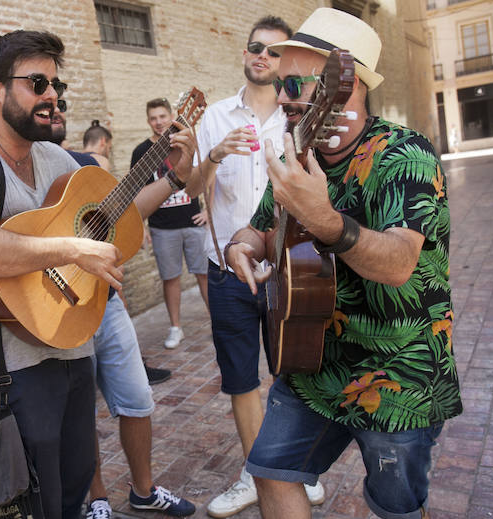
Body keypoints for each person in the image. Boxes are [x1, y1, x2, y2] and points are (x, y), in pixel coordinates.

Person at [0, 30, 199, 519]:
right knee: (37, 501)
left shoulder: (54, 157)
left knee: (76, 482)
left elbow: (117, 216)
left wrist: (175, 177)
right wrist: (74, 248)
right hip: (8, 366)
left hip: (72, 341)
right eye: (37, 83)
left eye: (56, 85)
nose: (52, 95)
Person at [225, 8, 462, 519]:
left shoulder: (406, 155)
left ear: (342, 84)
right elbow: (261, 228)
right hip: (311, 364)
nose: (281, 96)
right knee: (268, 474)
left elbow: (399, 263)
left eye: (292, 82)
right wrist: (240, 246)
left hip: (396, 375)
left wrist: (328, 222)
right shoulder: (295, 154)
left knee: (394, 508)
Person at [192, 16, 324, 518]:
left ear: (284, 60)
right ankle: (255, 474)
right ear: (244, 54)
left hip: (290, 269)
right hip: (226, 269)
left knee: (293, 375)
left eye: (273, 51)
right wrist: (214, 156)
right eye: (255, 48)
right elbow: (193, 185)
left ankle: (294, 470)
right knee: (241, 380)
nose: (262, 57)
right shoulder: (216, 116)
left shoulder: (301, 116)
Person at [49, 105, 195, 518]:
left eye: (60, 98)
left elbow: (126, 212)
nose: (55, 106)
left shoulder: (84, 166)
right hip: (62, 306)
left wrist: (176, 176)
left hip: (107, 303)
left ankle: (144, 491)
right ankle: (96, 498)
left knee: (138, 399)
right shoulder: (17, 172)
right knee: (82, 413)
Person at [132, 98, 209, 349]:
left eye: (162, 116)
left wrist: (209, 211)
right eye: (153, 118)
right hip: (162, 226)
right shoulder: (141, 152)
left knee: (204, 275)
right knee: (171, 278)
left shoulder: (185, 142)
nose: (158, 122)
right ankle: (176, 328)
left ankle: (217, 321)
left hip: (192, 220)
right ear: (148, 121)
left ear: (171, 116)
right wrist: (141, 227)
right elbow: (135, 193)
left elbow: (206, 175)